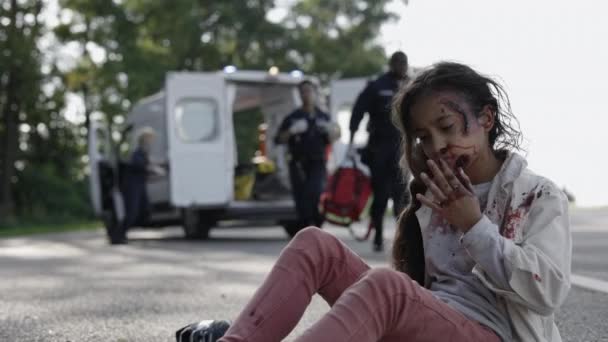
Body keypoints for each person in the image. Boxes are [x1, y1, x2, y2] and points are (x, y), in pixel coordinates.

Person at [176, 62, 572, 342]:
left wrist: (475, 226)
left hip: (496, 333)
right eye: (423, 136)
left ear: (486, 118)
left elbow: (549, 293)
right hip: (436, 322)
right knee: (315, 243)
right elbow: (423, 294)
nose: (437, 146)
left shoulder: (536, 194)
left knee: (386, 286)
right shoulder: (433, 194)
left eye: (447, 127)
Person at [349, 51, 411, 252]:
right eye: (398, 62)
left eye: (404, 63)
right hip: (379, 148)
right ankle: (377, 235)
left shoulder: (412, 86)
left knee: (401, 195)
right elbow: (358, 109)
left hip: (402, 148)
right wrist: (351, 138)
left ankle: (401, 238)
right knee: (381, 194)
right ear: (391, 64)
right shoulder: (377, 86)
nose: (401, 66)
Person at [274, 80, 340, 231]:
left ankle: (316, 224)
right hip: (298, 163)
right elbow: (278, 139)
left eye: (309, 91)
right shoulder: (293, 117)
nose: (306, 95)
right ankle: (306, 228)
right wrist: (292, 131)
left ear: (315, 94)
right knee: (301, 199)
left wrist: (331, 132)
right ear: (299, 94)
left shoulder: (323, 116)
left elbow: (336, 134)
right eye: (303, 92)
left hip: (318, 162)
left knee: (315, 192)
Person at [110, 126, 163, 245]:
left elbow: (147, 165)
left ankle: (120, 235)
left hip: (139, 186)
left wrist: (154, 169)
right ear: (144, 139)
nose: (152, 140)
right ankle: (117, 236)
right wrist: (153, 169)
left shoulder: (144, 151)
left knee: (143, 210)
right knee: (131, 212)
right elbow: (139, 165)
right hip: (132, 187)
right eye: (150, 138)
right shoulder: (138, 151)